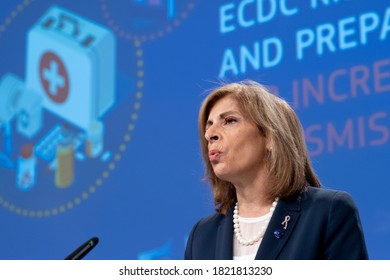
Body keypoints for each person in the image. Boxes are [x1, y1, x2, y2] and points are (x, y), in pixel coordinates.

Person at [184, 80, 368, 260]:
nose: (209, 134)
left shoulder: (328, 212)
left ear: (270, 136)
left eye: (230, 121)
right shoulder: (201, 236)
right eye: (208, 126)